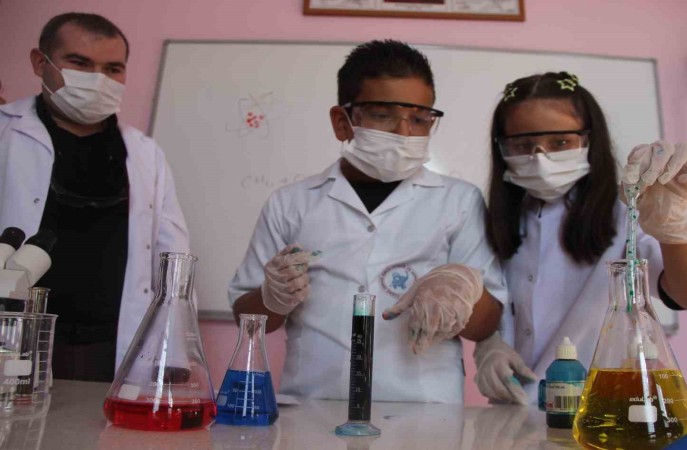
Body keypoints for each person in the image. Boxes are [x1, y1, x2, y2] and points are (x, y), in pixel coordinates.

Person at [229, 40, 507, 404]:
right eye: (382, 115)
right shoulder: (291, 204)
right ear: (342, 122)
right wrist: (272, 296)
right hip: (313, 404)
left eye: (419, 118)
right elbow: (246, 317)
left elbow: (487, 324)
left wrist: (463, 289)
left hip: (427, 410)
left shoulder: (459, 201)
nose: (404, 132)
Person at [473, 72, 687, 404]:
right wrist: (488, 343)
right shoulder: (498, 220)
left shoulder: (630, 208)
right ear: (501, 147)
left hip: (606, 408)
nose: (540, 158)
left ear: (591, 139)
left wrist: (676, 225)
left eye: (560, 143)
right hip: (515, 410)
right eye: (522, 145)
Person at [0, 13, 191, 381]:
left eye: (112, 69)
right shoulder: (6, 133)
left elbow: (173, 259)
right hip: (14, 335)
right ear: (40, 63)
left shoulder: (145, 154)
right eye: (80, 63)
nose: (98, 79)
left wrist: (176, 355)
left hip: (111, 347)